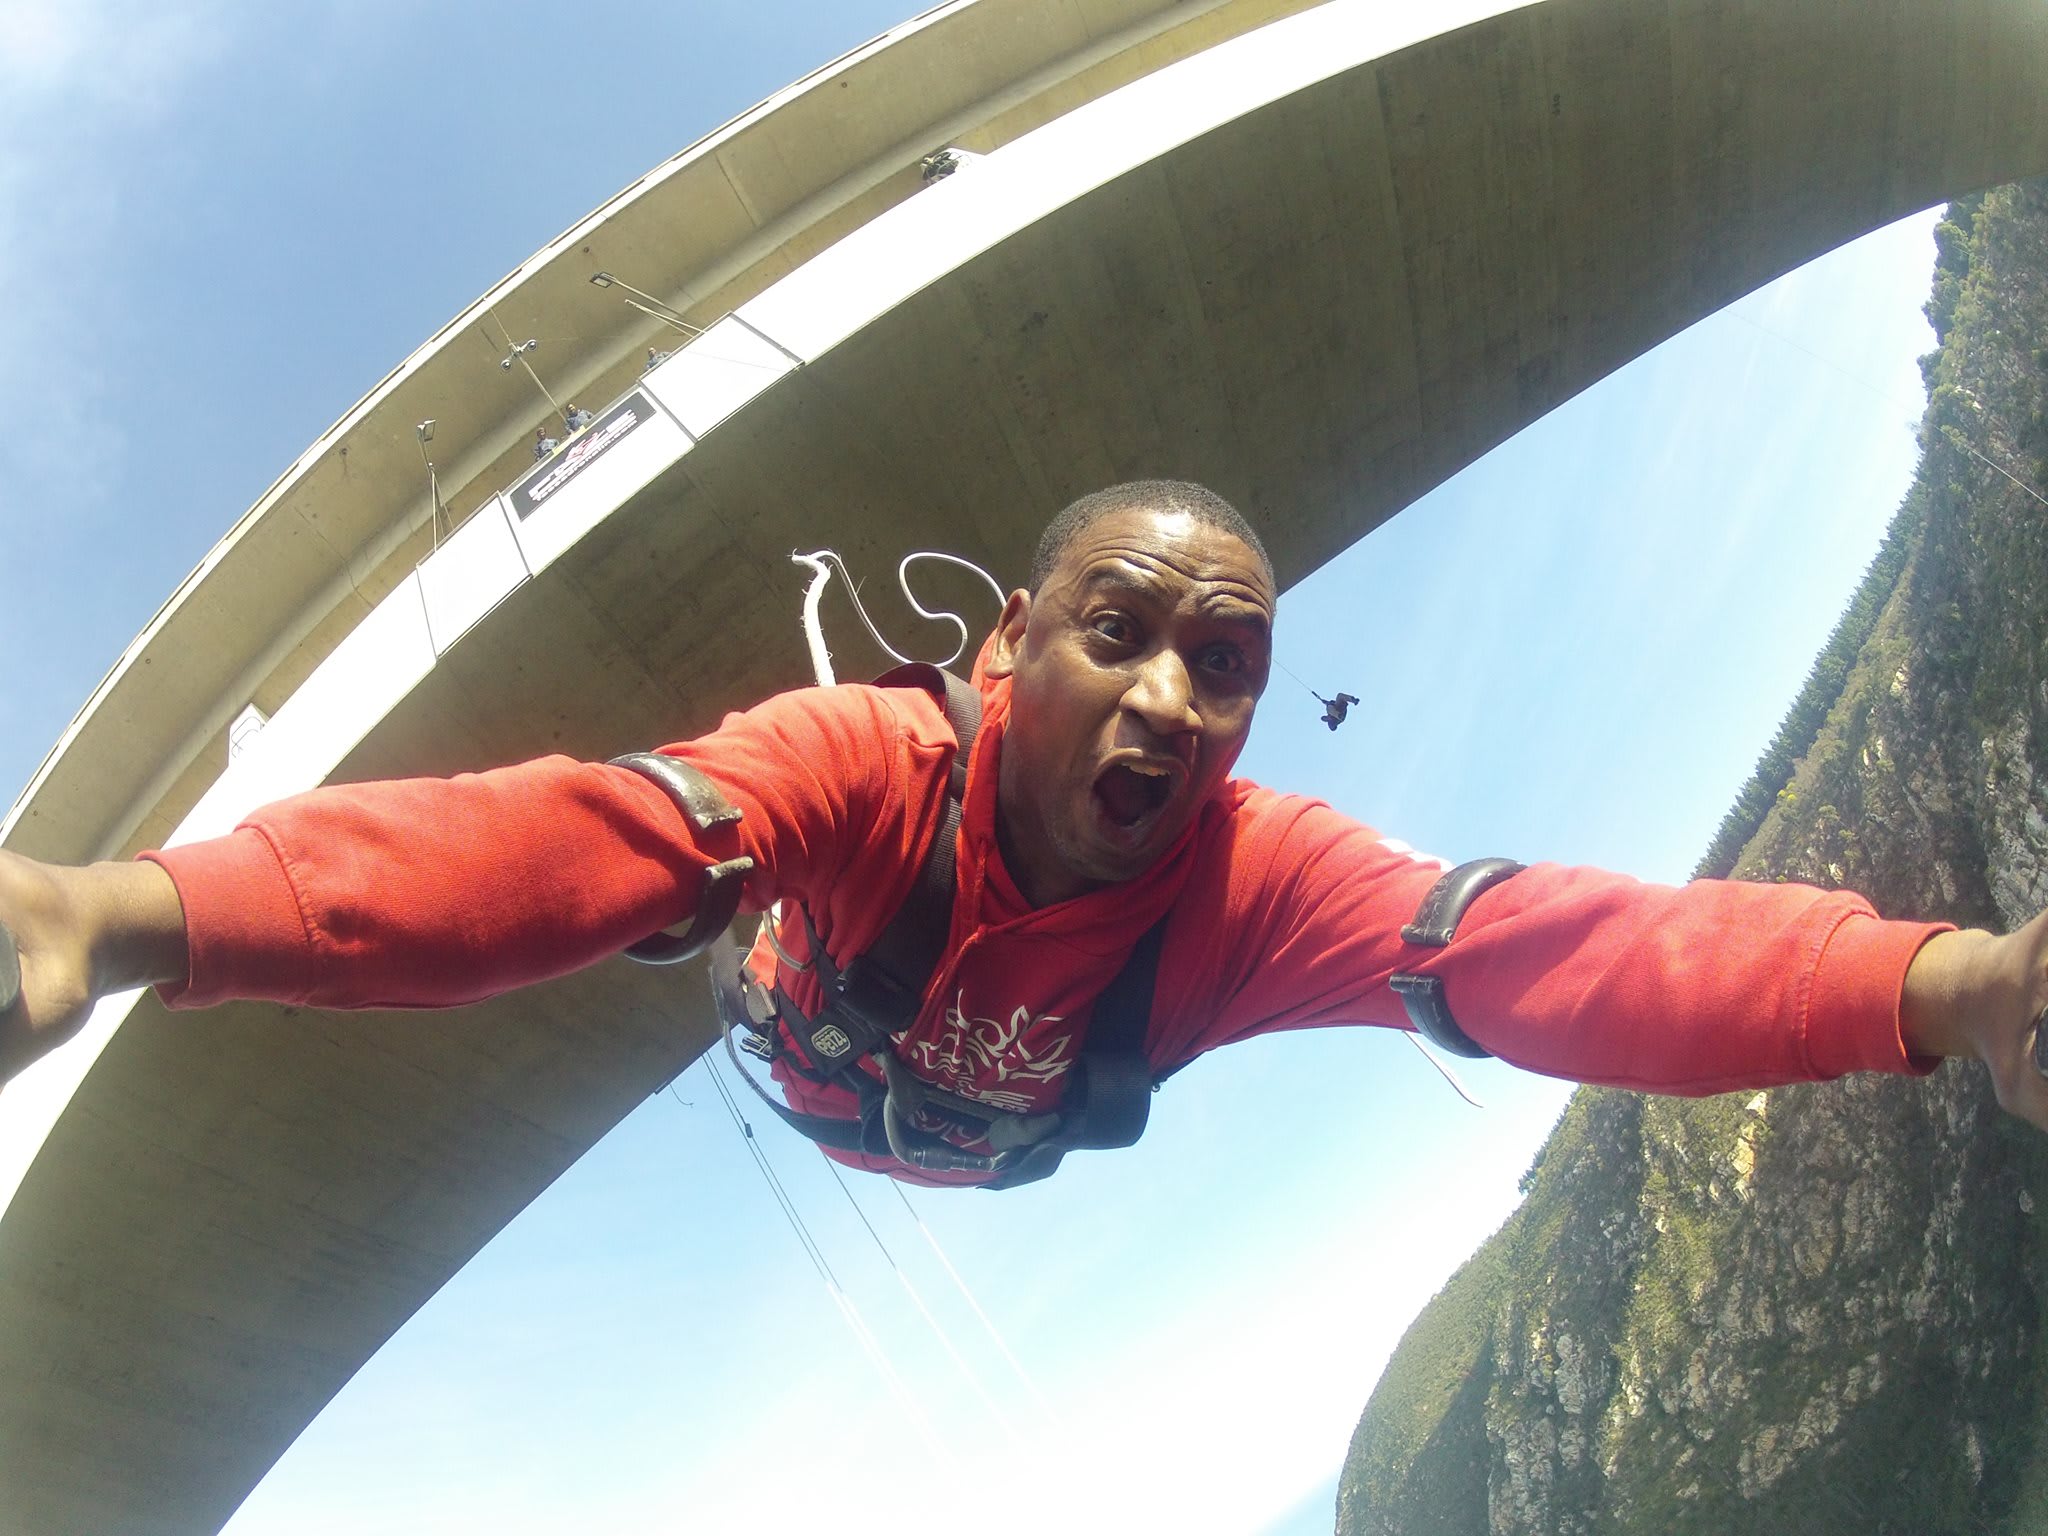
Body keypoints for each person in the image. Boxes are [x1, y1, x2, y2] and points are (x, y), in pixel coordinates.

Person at [3, 481, 2047, 1186]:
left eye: (1226, 663)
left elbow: (1550, 953)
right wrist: (117, 914)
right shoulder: (863, 761)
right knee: (690, 876)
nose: (1172, 697)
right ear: (1002, 652)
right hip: (824, 1033)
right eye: (1120, 634)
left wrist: (1949, 985)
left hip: (992, 1139)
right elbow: (573, 837)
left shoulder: (1252, 878)